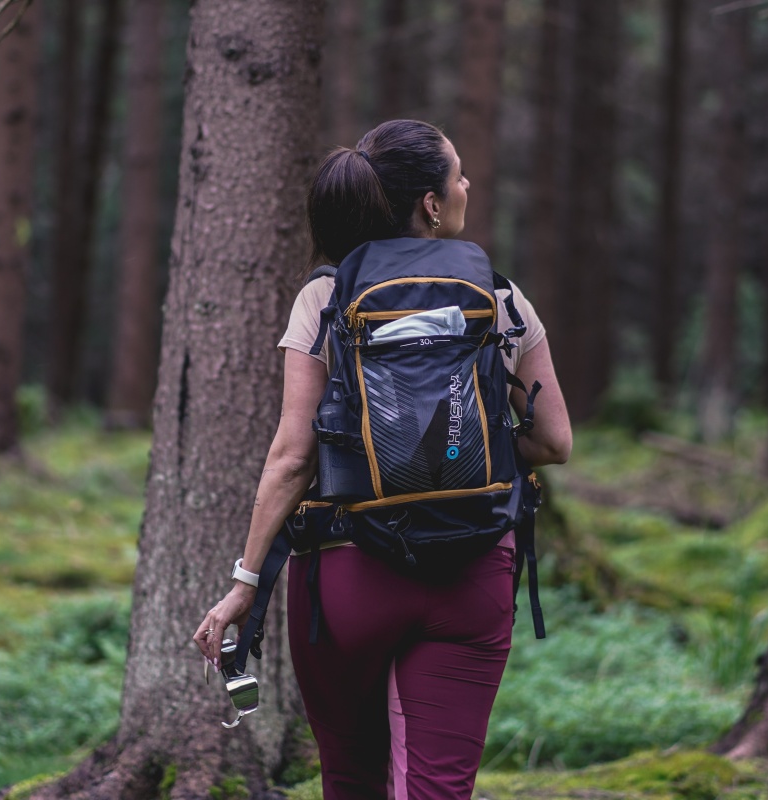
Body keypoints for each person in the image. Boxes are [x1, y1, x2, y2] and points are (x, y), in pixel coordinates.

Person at [193, 119, 572, 799]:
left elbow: (293, 456)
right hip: (472, 568)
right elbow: (553, 443)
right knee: (438, 787)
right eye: (457, 175)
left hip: (347, 570)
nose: (465, 184)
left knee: (351, 778)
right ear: (431, 203)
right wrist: (464, 451)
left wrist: (246, 582)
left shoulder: (326, 296)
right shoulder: (500, 297)